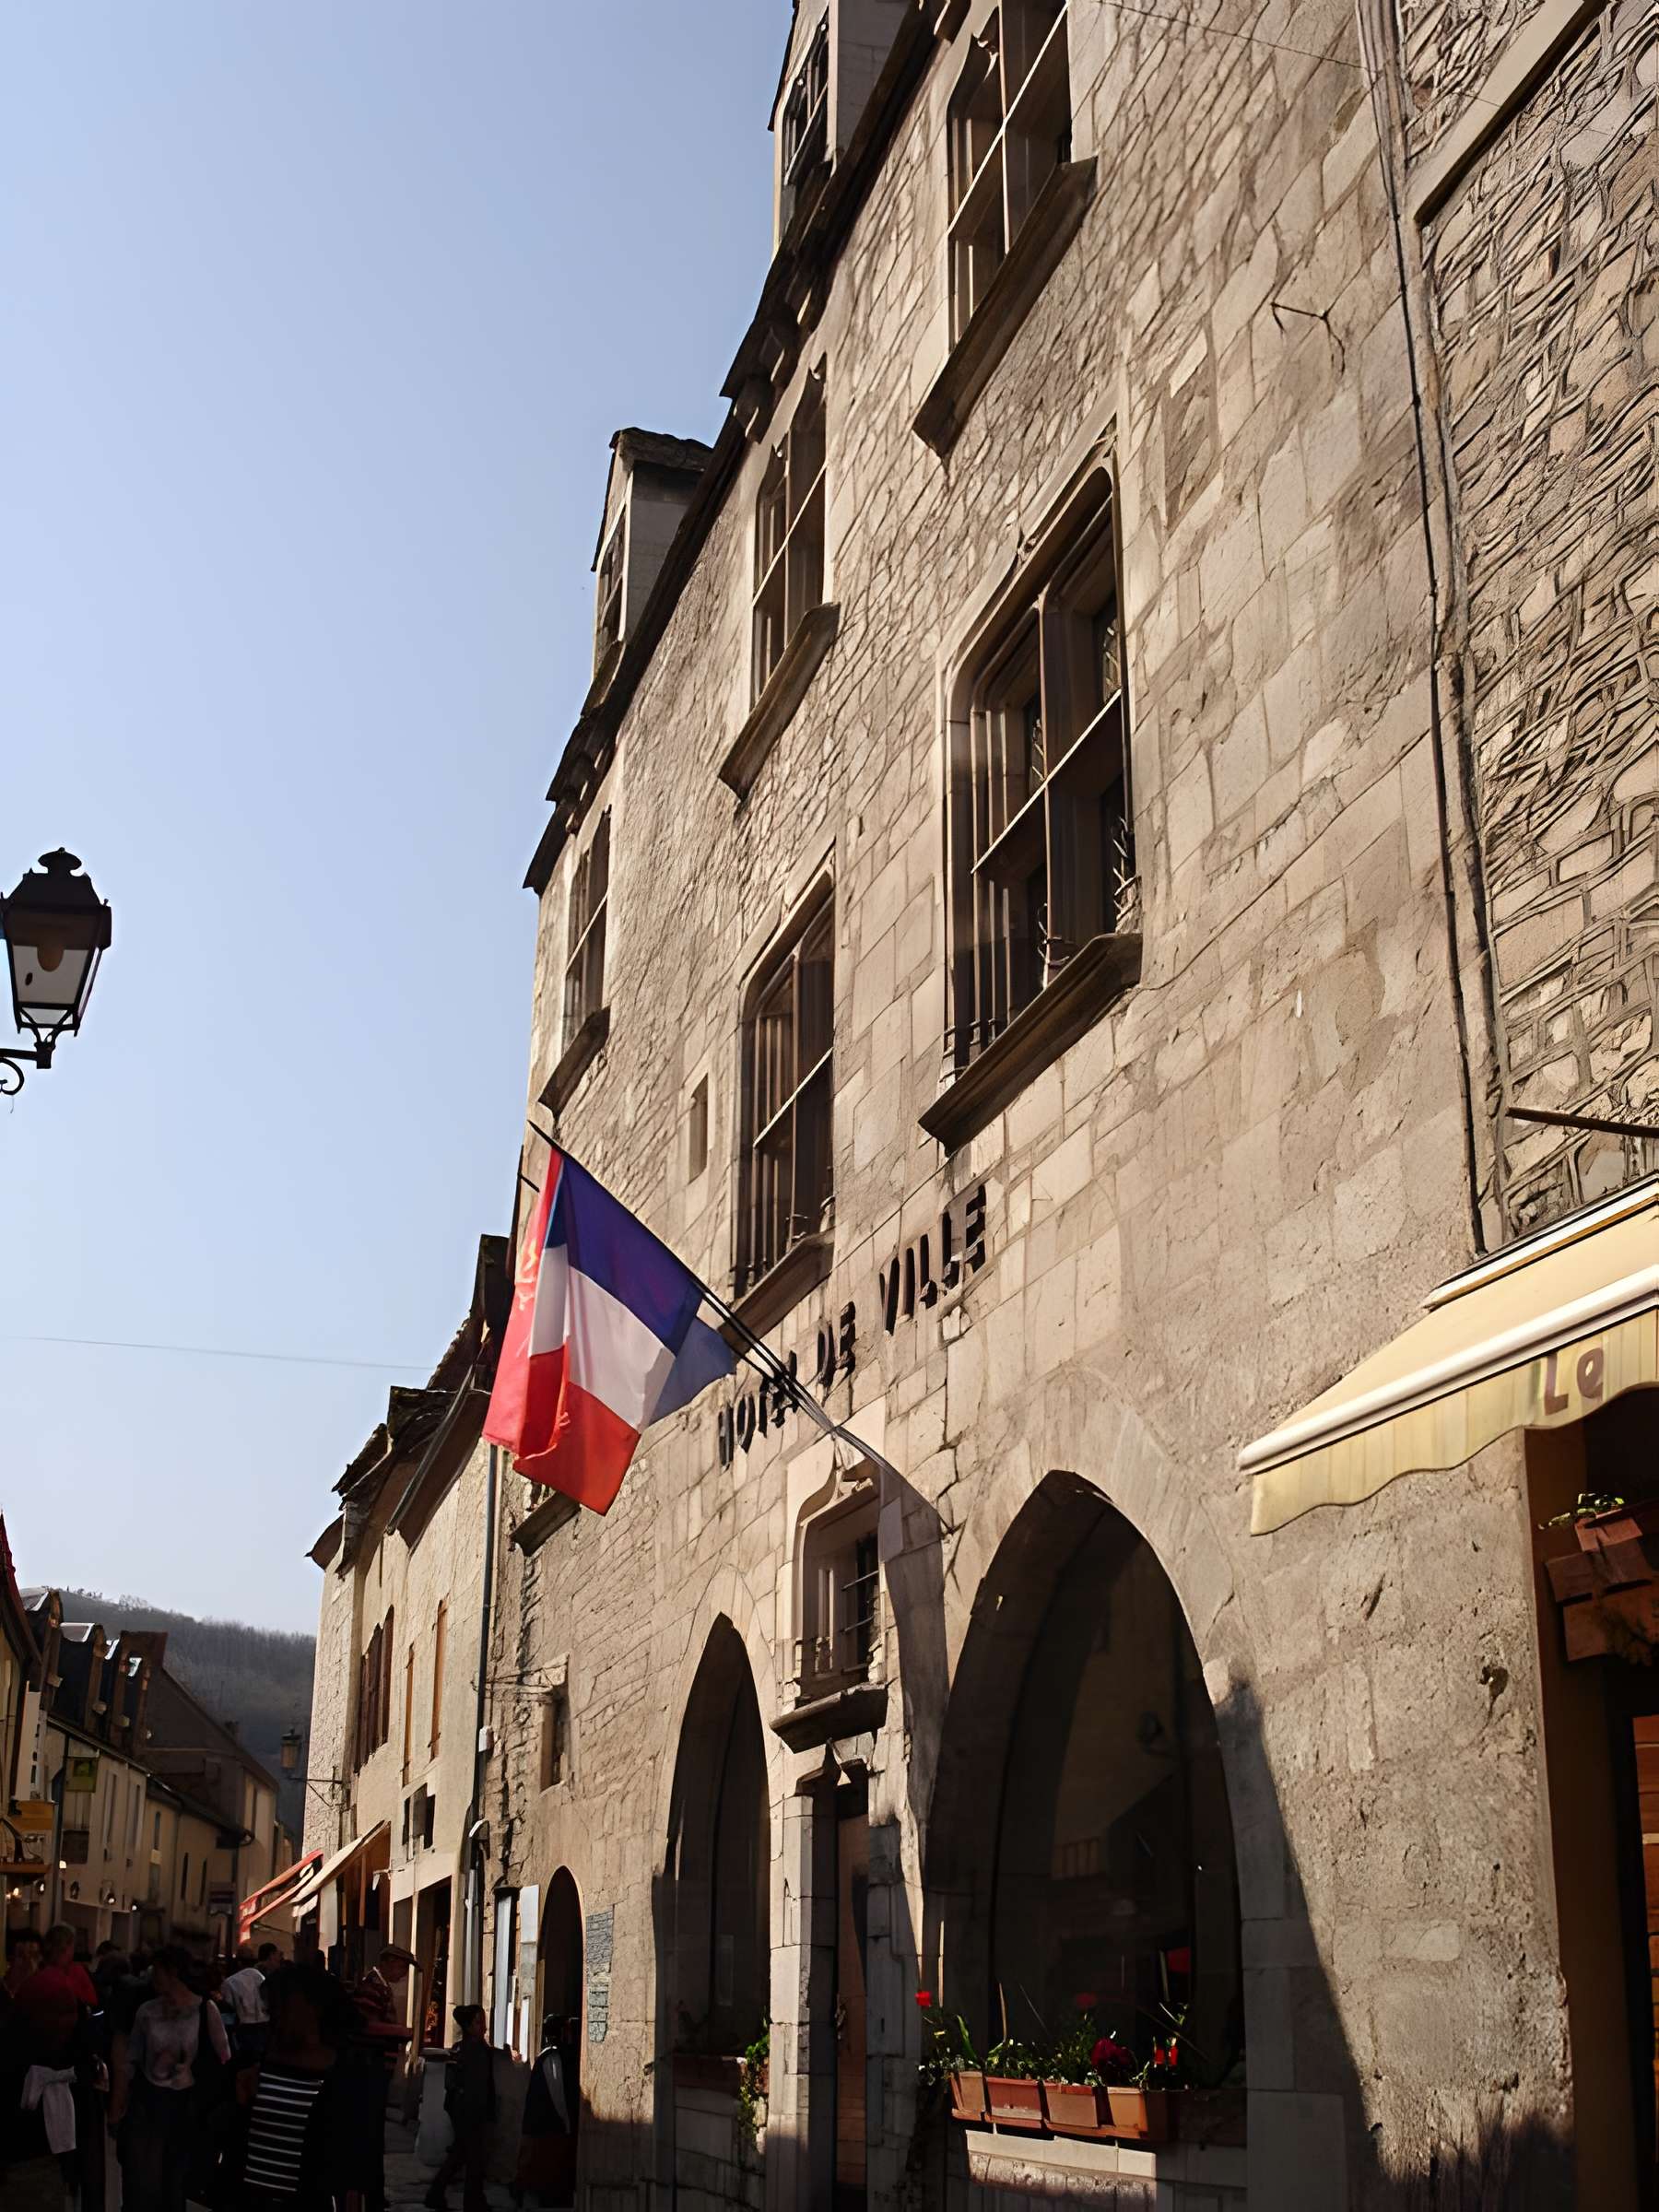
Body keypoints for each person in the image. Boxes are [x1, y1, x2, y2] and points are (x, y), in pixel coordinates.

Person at [218, 1962, 365, 2210]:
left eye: (276, 2009)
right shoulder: (259, 2060)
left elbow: (353, 2154)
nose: (270, 2017)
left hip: (305, 2200)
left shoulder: (345, 2070)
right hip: (247, 2197)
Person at [109, 1942, 231, 2212]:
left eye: (158, 1971)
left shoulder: (204, 2009)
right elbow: (133, 2057)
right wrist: (119, 2102)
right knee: (141, 2177)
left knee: (174, 2179)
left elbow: (223, 2057)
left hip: (185, 2105)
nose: (153, 1977)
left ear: (172, 1972)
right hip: (149, 2101)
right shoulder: (147, 2011)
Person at [425, 2005, 494, 2212]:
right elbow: (477, 2084)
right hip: (469, 2110)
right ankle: (471, 2202)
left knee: (462, 2155)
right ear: (468, 2026)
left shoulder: (463, 2048)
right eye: (478, 2022)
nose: (483, 2027)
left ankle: (438, 2194)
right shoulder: (474, 2050)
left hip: (463, 2109)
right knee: (472, 2157)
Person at [513, 2012, 576, 2207]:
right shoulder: (552, 2057)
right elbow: (556, 2091)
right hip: (547, 2126)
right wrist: (566, 2121)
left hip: (545, 2125)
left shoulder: (550, 2055)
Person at [224, 1945, 280, 2063]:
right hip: (265, 2026)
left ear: (238, 1962)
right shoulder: (263, 1978)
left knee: (245, 2063)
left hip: (244, 2028)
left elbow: (229, 2007)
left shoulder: (230, 1982)